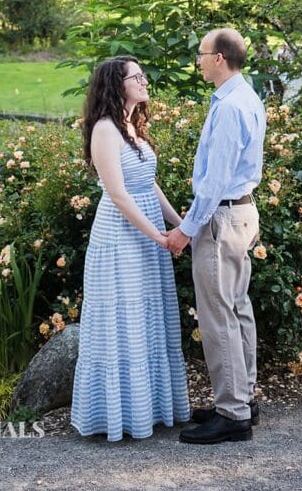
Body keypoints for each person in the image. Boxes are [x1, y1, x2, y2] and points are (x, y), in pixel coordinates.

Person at [70, 55, 190, 441]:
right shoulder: (105, 129)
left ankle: (150, 408)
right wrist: (159, 237)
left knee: (149, 318)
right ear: (115, 85)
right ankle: (118, 414)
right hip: (121, 236)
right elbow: (119, 195)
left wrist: (178, 224)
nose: (144, 81)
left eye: (143, 74)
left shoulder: (132, 126)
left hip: (147, 228)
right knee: (124, 319)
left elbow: (147, 183)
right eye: (136, 77)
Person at [166, 28, 266, 445]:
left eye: (203, 54)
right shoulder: (247, 97)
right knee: (237, 308)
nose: (199, 61)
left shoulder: (229, 107)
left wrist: (186, 231)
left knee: (219, 315)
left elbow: (215, 181)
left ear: (220, 58)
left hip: (222, 218)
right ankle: (242, 399)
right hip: (241, 212)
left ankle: (232, 414)